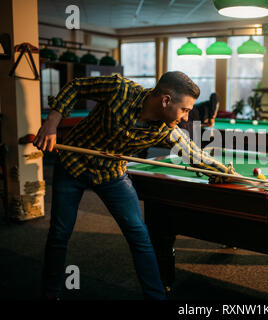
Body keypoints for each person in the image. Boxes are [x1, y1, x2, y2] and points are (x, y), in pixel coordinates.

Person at [33, 71, 242, 300]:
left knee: (139, 235)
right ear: (165, 100)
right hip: (72, 164)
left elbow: (196, 155)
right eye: (185, 109)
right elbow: (77, 86)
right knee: (60, 233)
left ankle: (155, 298)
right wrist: (52, 123)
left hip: (111, 174)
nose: (185, 117)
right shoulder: (119, 89)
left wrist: (228, 174)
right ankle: (50, 293)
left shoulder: (167, 130)